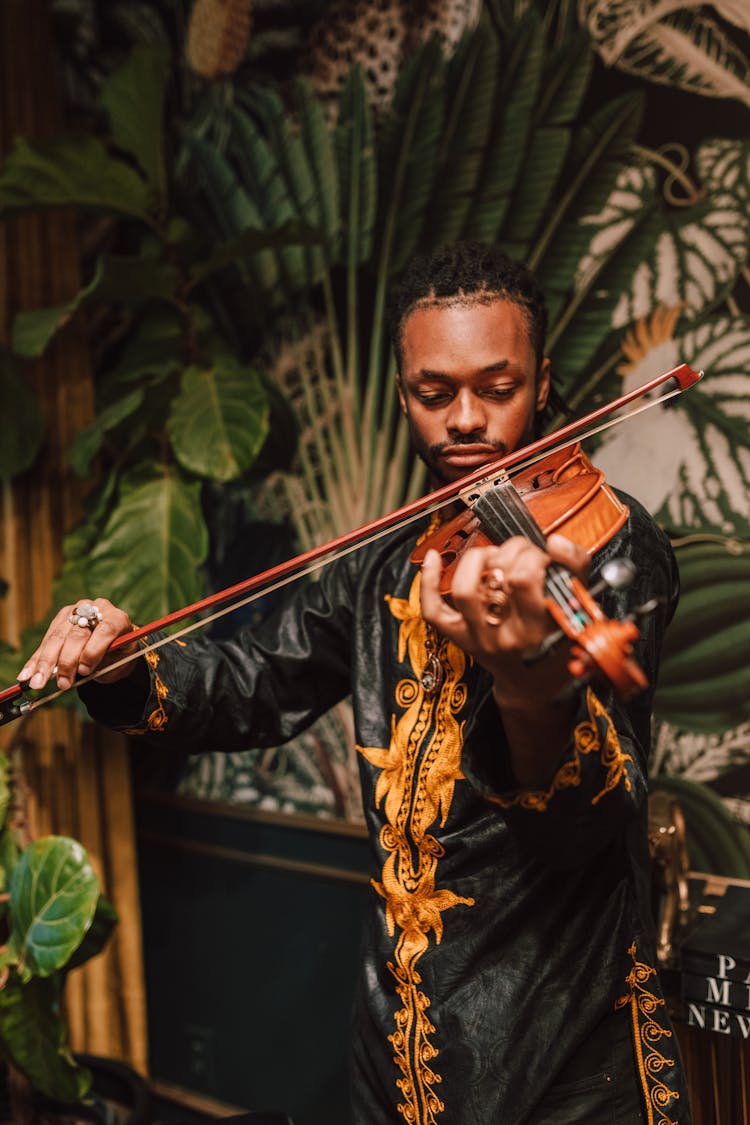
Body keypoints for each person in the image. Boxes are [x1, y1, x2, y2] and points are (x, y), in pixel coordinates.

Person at [19, 242, 689, 1124]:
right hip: (403, 1048)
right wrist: (123, 661)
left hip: (569, 1056)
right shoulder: (385, 557)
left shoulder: (610, 547)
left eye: (498, 388)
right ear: (403, 389)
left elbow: (587, 821)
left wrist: (532, 682)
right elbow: (252, 680)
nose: (466, 421)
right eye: (433, 392)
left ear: (543, 379)